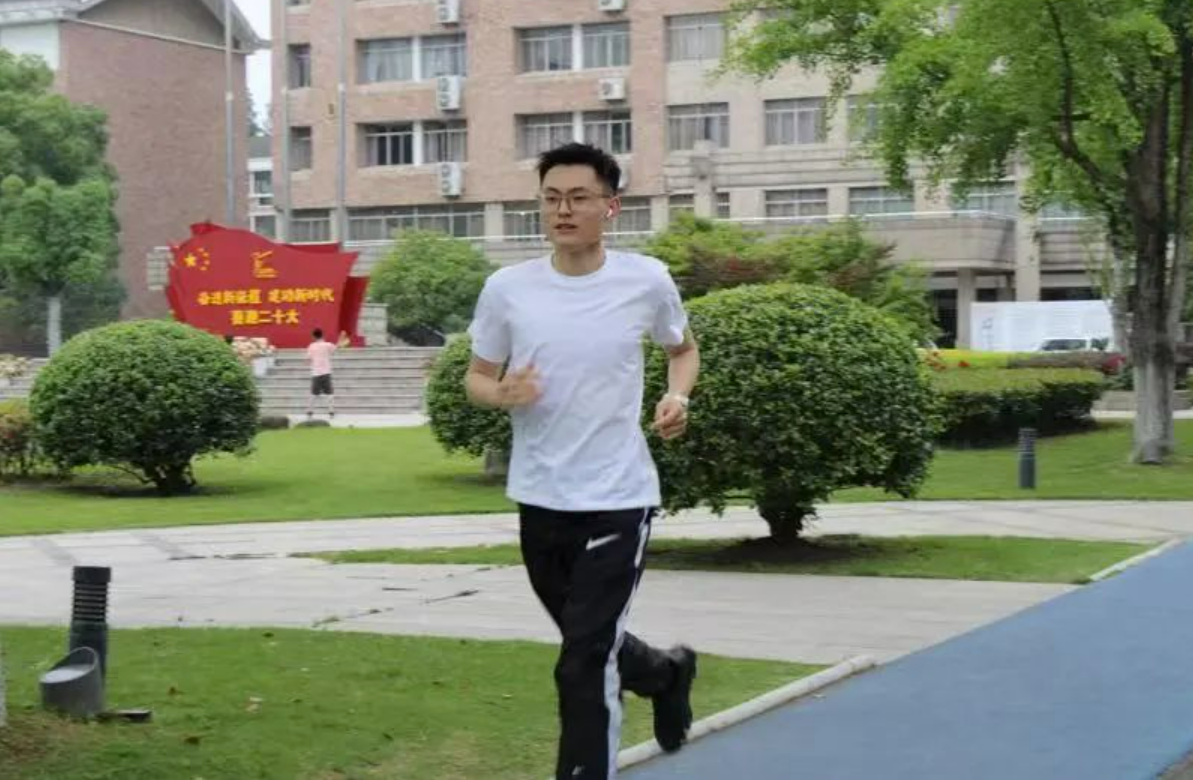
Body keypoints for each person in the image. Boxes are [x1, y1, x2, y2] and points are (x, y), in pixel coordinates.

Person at [464, 143, 701, 780]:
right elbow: (477, 377)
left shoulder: (645, 280)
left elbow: (682, 349)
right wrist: (501, 393)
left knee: (582, 663)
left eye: (578, 198)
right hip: (540, 498)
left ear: (610, 207)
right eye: (551, 198)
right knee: (588, 642)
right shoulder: (508, 289)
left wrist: (677, 397)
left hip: (619, 497)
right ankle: (665, 674)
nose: (562, 210)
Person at [306, 327, 349, 419]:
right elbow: (337, 347)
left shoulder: (311, 346)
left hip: (316, 373)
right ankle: (331, 412)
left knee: (313, 394)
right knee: (329, 394)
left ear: (314, 336)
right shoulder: (327, 345)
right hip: (326, 373)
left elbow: (309, 358)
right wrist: (341, 337)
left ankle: (309, 412)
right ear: (322, 335)